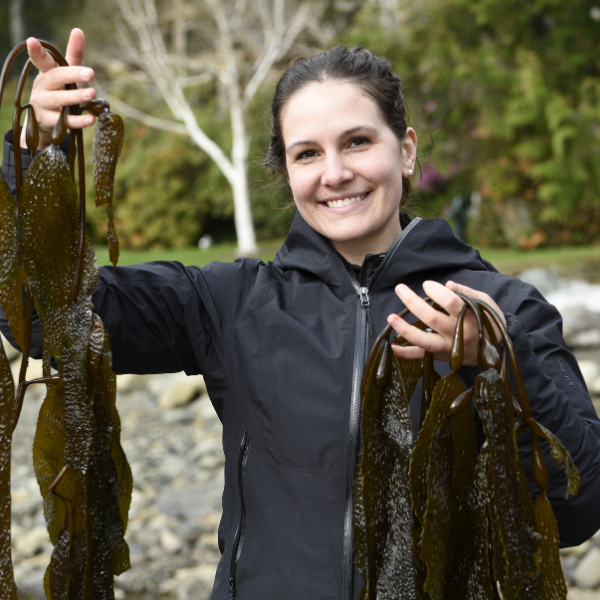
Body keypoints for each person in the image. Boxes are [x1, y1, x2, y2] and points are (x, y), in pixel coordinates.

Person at [3, 29, 600, 600]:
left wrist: (496, 359)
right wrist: (33, 157)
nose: (335, 173)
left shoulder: (502, 309)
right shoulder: (229, 303)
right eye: (307, 153)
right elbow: (40, 317)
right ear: (286, 172)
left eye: (358, 142)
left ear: (407, 149)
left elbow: (580, 505)